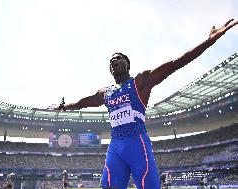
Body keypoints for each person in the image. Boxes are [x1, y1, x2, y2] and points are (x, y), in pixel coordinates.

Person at [56, 19, 238, 189]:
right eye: (110, 61)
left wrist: (209, 41)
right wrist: (66, 107)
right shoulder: (106, 92)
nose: (113, 62)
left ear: (127, 64)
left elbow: (177, 63)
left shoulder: (140, 82)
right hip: (116, 146)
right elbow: (84, 102)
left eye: (118, 58)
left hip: (137, 143)